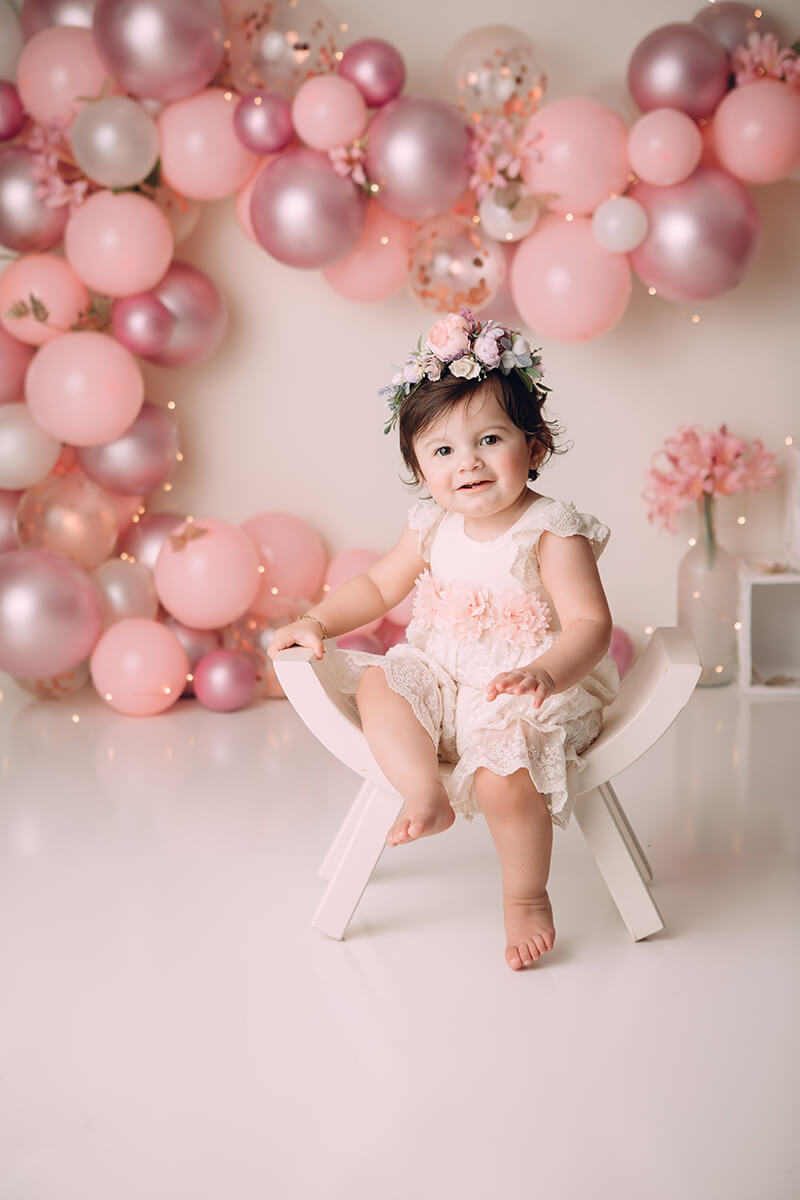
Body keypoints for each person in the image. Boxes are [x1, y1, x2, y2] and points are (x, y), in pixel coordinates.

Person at [269, 308, 619, 971]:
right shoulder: (430, 525)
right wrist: (316, 620)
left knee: (503, 776)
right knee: (381, 680)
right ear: (420, 468)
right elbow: (376, 589)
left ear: (534, 446)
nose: (468, 464)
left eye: (490, 439)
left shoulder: (552, 529)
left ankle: (524, 896)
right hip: (444, 672)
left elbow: (589, 626)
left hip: (523, 687)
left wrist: (547, 673)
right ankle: (423, 791)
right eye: (443, 451)